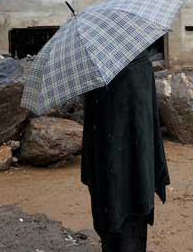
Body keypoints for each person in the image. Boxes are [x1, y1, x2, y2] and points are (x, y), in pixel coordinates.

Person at [81, 50, 170, 252]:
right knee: (131, 227)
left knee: (114, 221)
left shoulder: (94, 66)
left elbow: (93, 122)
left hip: (107, 162)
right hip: (136, 161)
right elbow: (149, 121)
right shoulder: (141, 62)